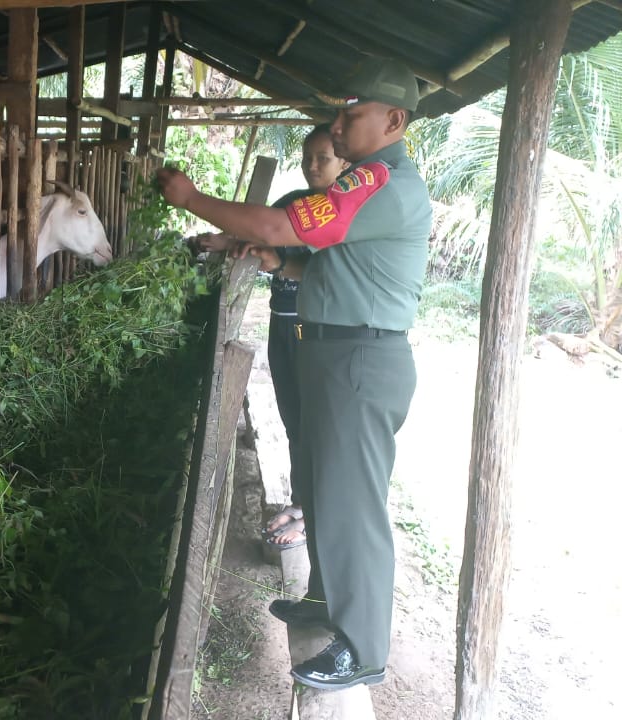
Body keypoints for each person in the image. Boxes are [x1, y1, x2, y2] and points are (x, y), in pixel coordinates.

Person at [157, 57, 430, 690]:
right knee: (325, 490)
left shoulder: (382, 182)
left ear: (393, 120)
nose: (338, 126)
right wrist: (284, 267)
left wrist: (193, 199)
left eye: (351, 114)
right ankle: (327, 603)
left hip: (360, 358)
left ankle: (362, 649)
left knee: (354, 506)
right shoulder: (365, 182)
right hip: (336, 350)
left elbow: (284, 221)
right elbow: (327, 271)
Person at [204, 126, 349, 551]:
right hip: (283, 323)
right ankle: (303, 503)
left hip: (312, 328)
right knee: (292, 416)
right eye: (308, 157)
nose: (312, 165)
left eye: (323, 157)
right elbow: (262, 233)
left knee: (312, 420)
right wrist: (225, 241)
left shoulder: (343, 213)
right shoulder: (293, 205)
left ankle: (312, 514)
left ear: (344, 161)